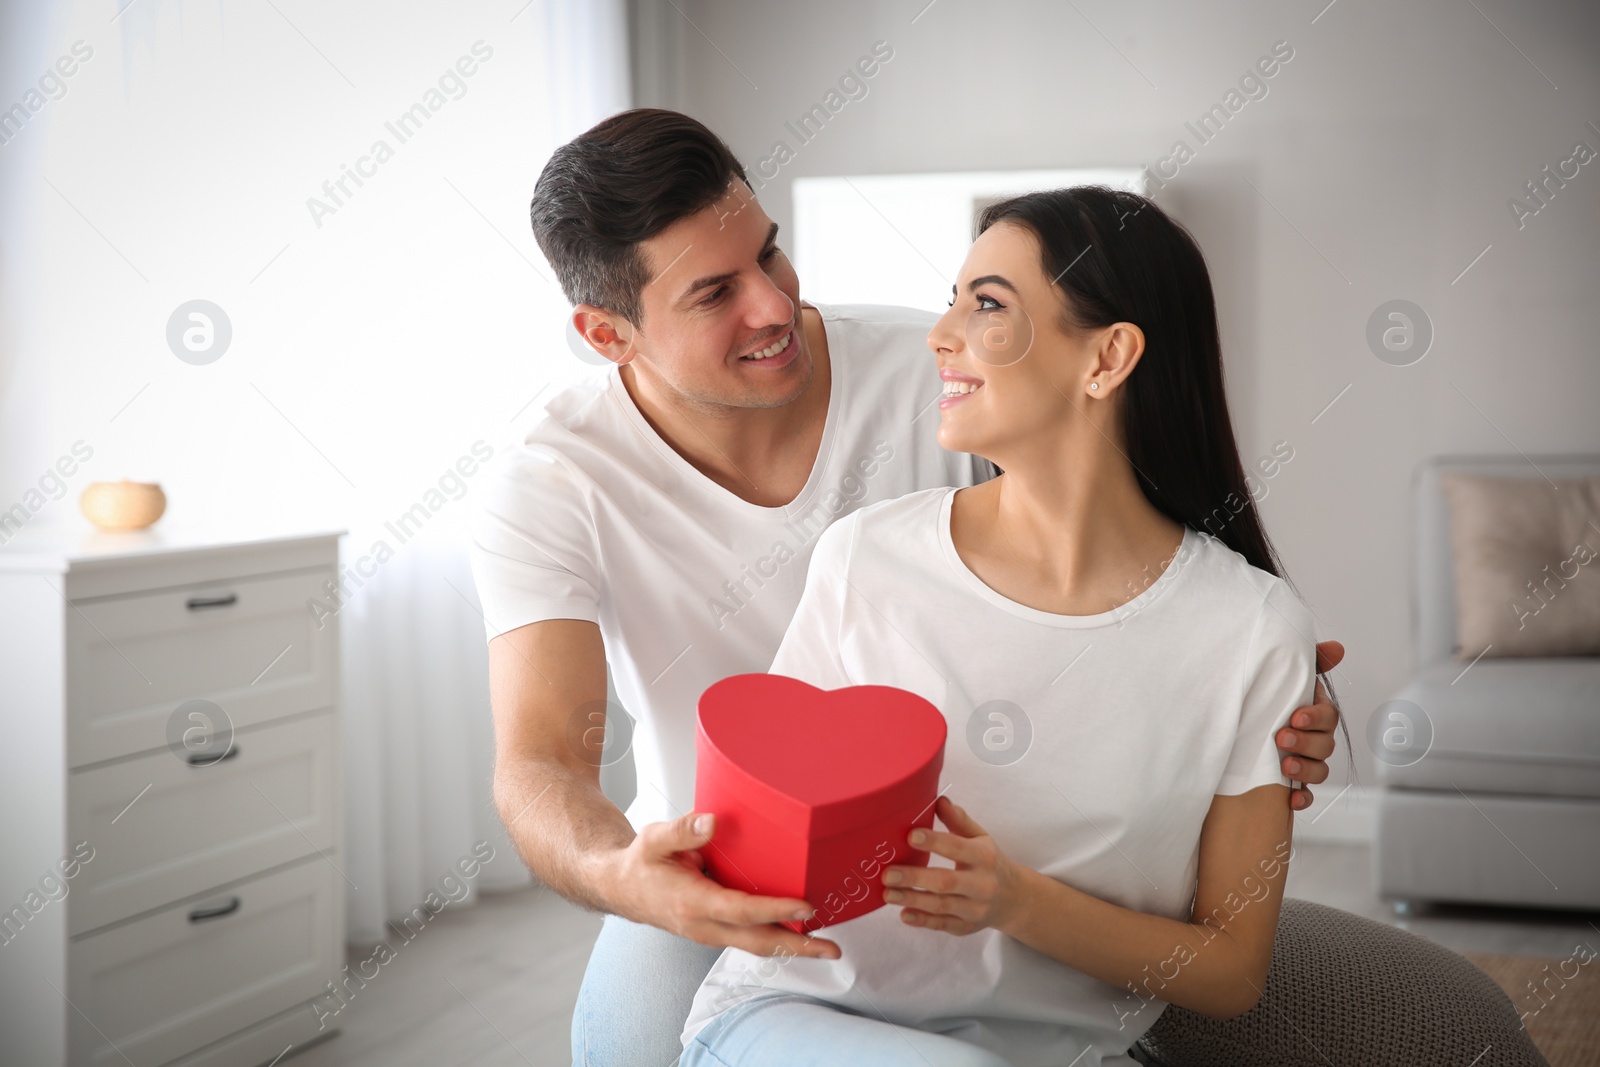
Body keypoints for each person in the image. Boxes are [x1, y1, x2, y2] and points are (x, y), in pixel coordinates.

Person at [468, 109, 1345, 1067]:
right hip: (706, 857)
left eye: (771, 254)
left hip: (966, 868)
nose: (773, 305)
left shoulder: (932, 379)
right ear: (608, 335)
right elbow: (544, 758)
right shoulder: (553, 480)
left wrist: (1237, 702)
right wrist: (625, 877)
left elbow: (1096, 562)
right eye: (716, 292)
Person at [680, 185, 1334, 1066]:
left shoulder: (1253, 630)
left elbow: (1231, 971)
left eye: (986, 304)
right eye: (952, 300)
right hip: (804, 1022)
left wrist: (1015, 900)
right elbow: (762, 833)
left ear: (1107, 357)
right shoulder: (867, 558)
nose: (939, 334)